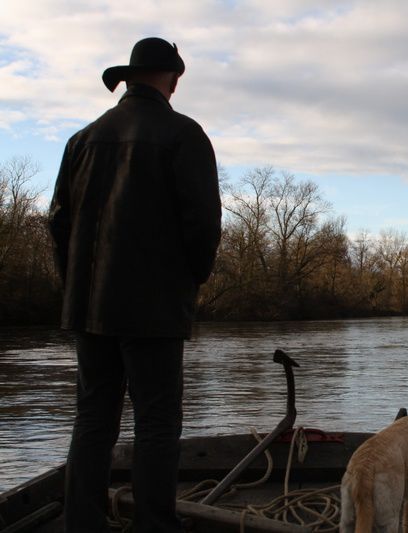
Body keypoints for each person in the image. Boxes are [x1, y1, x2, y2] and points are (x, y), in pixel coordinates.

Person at [49, 37, 222, 532]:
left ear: (128, 77)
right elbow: (203, 224)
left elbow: (59, 222)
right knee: (157, 421)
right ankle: (154, 524)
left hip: (88, 305)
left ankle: (82, 523)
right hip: (154, 306)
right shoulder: (183, 134)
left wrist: (75, 284)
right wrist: (191, 280)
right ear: (173, 78)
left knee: (93, 418)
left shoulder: (81, 140)